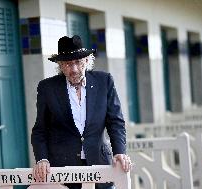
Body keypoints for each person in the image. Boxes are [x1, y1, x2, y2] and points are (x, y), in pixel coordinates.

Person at [31, 35, 132, 189]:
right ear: (60, 65)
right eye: (67, 64)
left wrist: (120, 151)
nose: (74, 69)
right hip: (63, 172)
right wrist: (42, 159)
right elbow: (40, 130)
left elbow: (115, 122)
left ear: (86, 60)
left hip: (100, 166)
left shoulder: (104, 81)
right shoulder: (47, 88)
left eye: (78, 62)